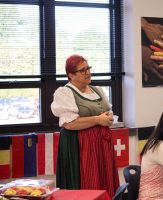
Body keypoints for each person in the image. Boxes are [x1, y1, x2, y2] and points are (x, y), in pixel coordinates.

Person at [51, 54, 119, 197]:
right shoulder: (64, 93)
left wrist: (109, 117)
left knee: (104, 179)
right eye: (82, 70)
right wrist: (97, 120)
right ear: (71, 75)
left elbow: (107, 111)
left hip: (101, 144)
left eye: (88, 68)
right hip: (80, 145)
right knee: (87, 181)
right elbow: (69, 124)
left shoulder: (97, 90)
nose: (87, 72)